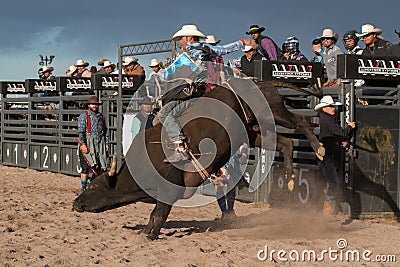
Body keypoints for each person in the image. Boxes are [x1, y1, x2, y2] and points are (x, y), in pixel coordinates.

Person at [159, 24, 256, 163]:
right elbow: (223, 49)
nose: (181, 41)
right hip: (201, 90)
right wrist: (241, 43)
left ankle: (179, 145)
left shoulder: (190, 52)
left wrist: (161, 77)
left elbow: (172, 71)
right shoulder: (206, 48)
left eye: (182, 38)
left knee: (164, 113)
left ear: (189, 37)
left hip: (190, 93)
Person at [314, 95, 356, 215]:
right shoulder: (328, 120)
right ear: (324, 108)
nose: (333, 108)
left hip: (325, 156)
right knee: (333, 182)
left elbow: (332, 135)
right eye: (330, 106)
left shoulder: (324, 119)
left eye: (333, 106)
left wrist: (339, 142)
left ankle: (320, 206)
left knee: (324, 181)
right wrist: (350, 127)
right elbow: (341, 132)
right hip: (327, 157)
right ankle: (328, 207)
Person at [77, 96, 109, 191]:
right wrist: (83, 144)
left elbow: (105, 131)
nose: (94, 106)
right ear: (89, 105)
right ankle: (83, 188)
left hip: (99, 144)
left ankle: (91, 185)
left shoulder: (100, 116)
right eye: (93, 104)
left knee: (100, 167)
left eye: (96, 104)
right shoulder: (84, 116)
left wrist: (106, 143)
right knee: (85, 168)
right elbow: (81, 132)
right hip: (88, 143)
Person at [213, 143, 249, 220]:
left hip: (231, 161)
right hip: (219, 159)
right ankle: (225, 212)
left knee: (231, 187)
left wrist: (244, 154)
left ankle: (229, 211)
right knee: (219, 185)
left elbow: (243, 143)